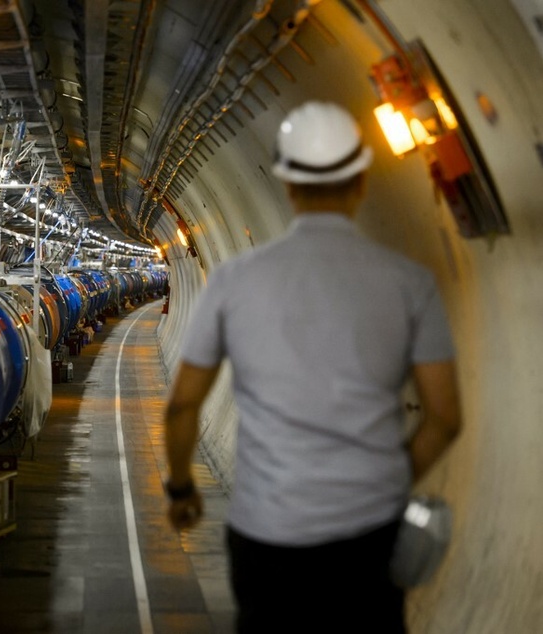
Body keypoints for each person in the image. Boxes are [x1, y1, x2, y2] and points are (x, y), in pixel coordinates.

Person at [163, 101, 462, 633]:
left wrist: (183, 489)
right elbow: (443, 417)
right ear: (361, 180)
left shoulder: (234, 281)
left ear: (287, 185)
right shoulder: (409, 283)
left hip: (267, 532)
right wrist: (384, 482)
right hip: (370, 535)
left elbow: (183, 404)